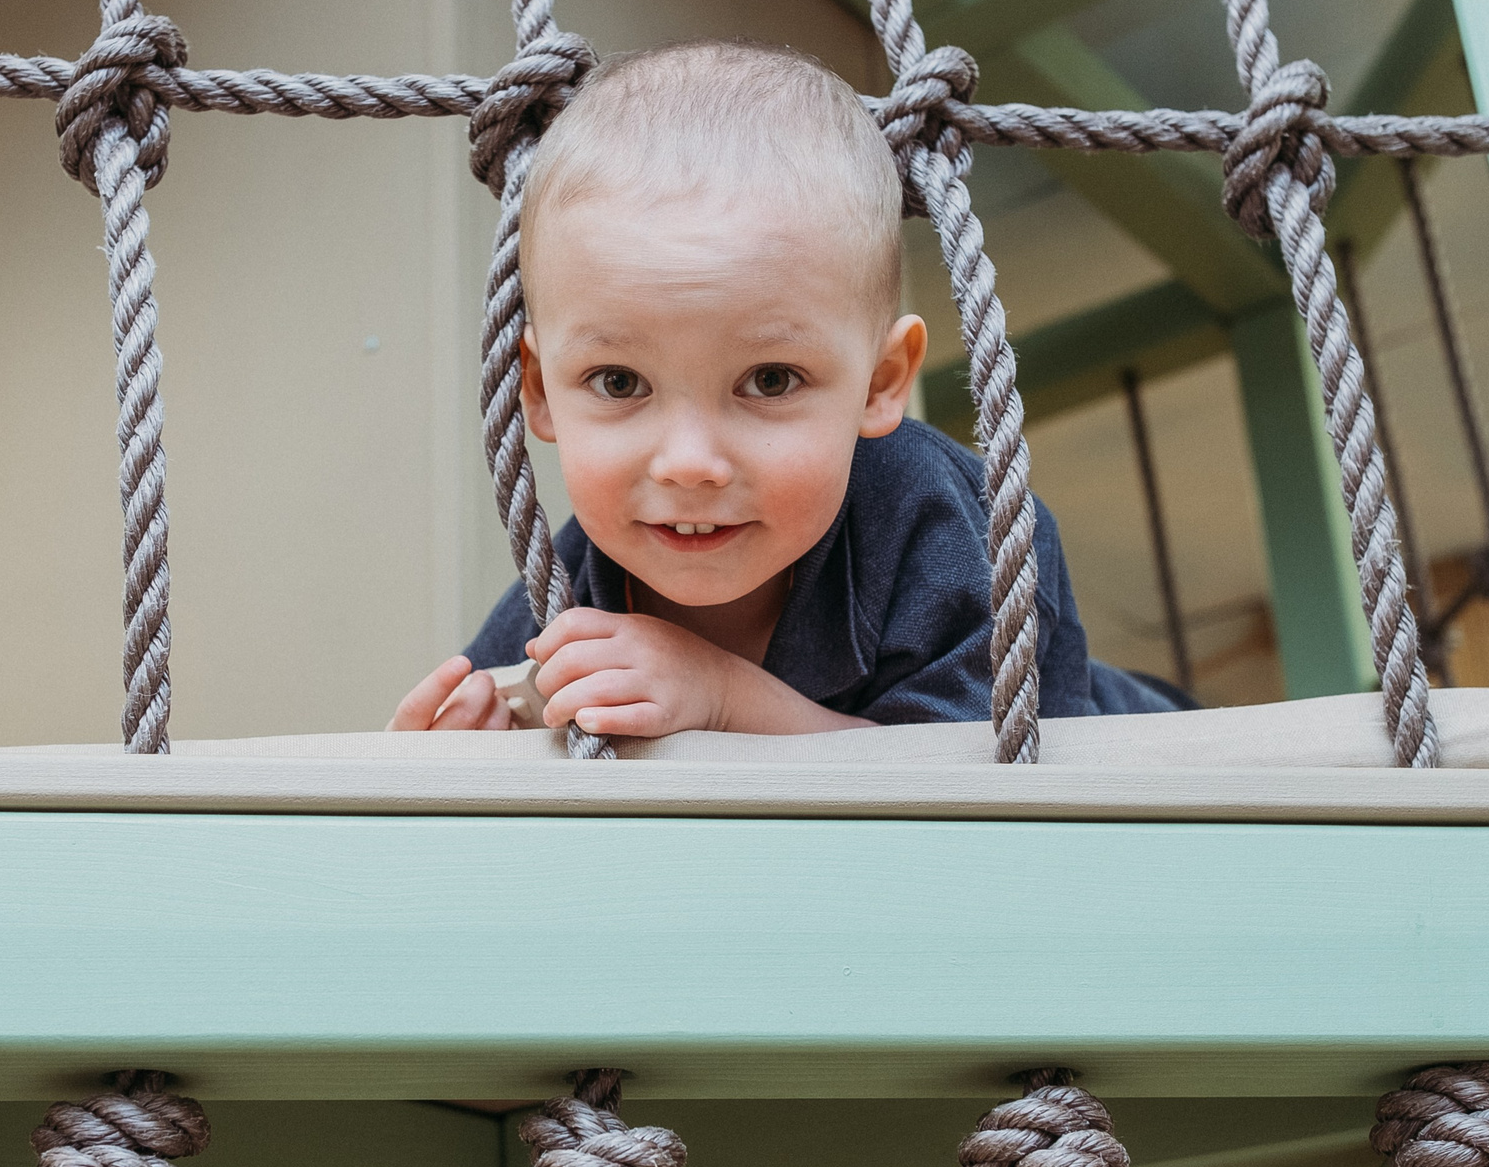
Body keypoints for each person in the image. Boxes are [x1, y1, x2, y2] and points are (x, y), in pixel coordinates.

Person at [390, 38, 1188, 738]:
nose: (690, 462)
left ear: (882, 384)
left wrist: (722, 695)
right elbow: (489, 736)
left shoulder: (956, 530)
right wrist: (464, 741)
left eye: (769, 380)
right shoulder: (564, 587)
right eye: (619, 380)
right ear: (536, 390)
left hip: (1153, 745)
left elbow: (967, 789)